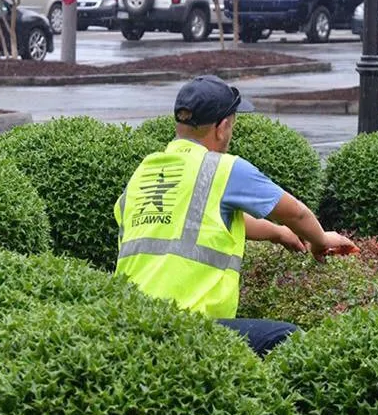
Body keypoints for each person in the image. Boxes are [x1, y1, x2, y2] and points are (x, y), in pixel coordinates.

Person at [114, 74, 357, 355]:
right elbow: (298, 214)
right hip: (187, 327)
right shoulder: (222, 168)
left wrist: (277, 233)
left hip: (132, 322)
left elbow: (201, 221)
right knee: (289, 340)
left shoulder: (145, 173)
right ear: (222, 127)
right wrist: (320, 240)